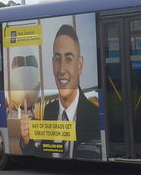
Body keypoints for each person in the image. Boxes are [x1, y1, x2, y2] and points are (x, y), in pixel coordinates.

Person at [21, 23, 100, 157]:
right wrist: (27, 141)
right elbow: (43, 155)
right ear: (53, 64)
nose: (62, 70)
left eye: (68, 59)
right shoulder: (49, 111)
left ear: (79, 65)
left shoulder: (94, 114)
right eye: (58, 59)